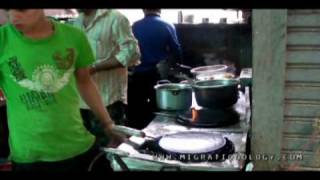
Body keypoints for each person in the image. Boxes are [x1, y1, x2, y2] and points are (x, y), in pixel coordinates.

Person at [0, 9, 126, 172]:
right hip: (30, 153)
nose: (14, 16)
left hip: (77, 146)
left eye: (23, 9)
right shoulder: (3, 39)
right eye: (8, 9)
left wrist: (108, 124)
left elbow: (85, 82)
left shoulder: (74, 37)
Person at [72, 9, 140, 144]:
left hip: (108, 100)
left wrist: (95, 67)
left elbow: (132, 53)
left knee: (110, 148)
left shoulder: (116, 18)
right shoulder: (77, 21)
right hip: (81, 100)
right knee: (87, 148)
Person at [128, 9, 182, 129]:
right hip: (158, 75)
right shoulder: (167, 25)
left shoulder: (135, 26)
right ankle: (158, 131)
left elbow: (129, 50)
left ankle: (139, 135)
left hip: (138, 74)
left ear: (143, 10)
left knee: (138, 109)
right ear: (160, 10)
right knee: (159, 107)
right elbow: (176, 49)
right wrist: (177, 66)